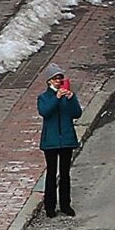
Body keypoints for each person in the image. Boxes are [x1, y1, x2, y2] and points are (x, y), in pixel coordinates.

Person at [37, 68, 81, 218]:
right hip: (51, 141)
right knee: (51, 173)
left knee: (65, 174)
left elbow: (77, 113)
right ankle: (49, 206)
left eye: (60, 79)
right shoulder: (44, 97)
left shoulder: (66, 96)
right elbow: (45, 112)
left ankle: (65, 204)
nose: (58, 81)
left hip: (66, 140)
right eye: (56, 79)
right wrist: (56, 98)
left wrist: (71, 98)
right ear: (49, 81)